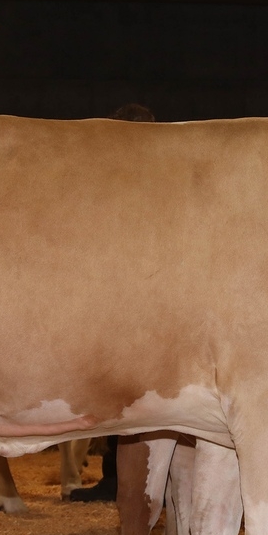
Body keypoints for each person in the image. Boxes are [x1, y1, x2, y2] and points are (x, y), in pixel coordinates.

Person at [68, 102, 155, 503]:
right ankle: (118, 481)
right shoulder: (106, 183)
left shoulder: (146, 183)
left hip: (140, 298)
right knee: (121, 394)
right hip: (114, 297)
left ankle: (132, 485)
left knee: (136, 396)